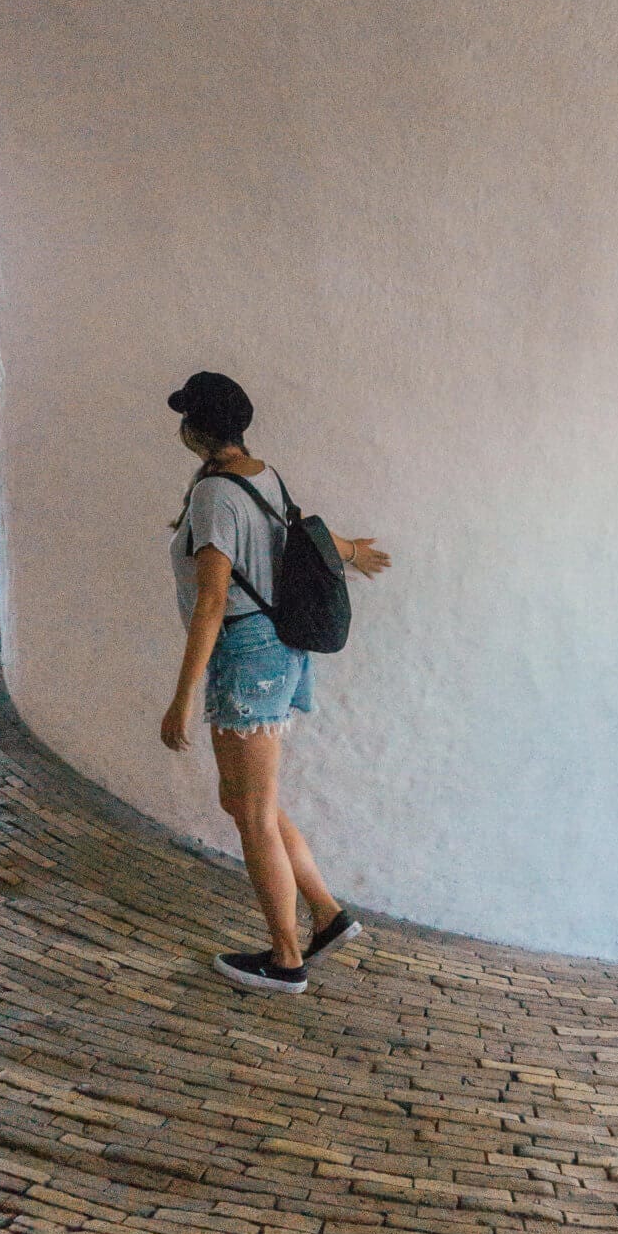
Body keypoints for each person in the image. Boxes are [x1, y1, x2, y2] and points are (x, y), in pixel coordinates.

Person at [160, 371, 390, 993]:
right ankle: (327, 915)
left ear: (197, 430)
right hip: (276, 652)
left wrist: (181, 700)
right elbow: (297, 533)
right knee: (243, 800)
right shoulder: (259, 472)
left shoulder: (215, 497)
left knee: (252, 812)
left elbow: (211, 602)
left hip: (246, 656)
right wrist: (349, 550)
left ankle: (286, 958)